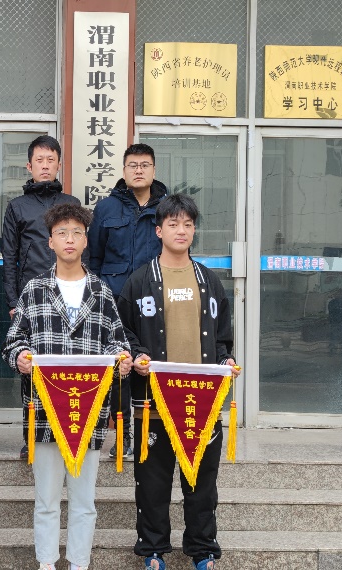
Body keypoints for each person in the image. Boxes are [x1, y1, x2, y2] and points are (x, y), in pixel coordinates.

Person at [4, 203, 132, 570]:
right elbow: (14, 341)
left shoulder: (101, 292)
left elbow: (117, 342)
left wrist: (122, 360)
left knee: (84, 501)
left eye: (77, 232)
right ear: (50, 242)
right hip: (45, 412)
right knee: (46, 499)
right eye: (62, 233)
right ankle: (46, 563)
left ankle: (79, 563)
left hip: (88, 413)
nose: (70, 239)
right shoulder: (35, 290)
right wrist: (21, 356)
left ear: (86, 240)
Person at [116, 193, 239, 570]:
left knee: (202, 483)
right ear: (158, 231)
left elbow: (222, 338)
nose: (181, 230)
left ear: (194, 230)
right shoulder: (140, 281)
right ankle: (153, 551)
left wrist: (226, 361)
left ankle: (203, 551)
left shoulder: (209, 281)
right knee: (152, 484)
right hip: (153, 402)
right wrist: (138, 356)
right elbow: (124, 332)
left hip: (200, 402)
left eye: (187, 224)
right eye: (173, 224)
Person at [1, 135, 82, 459]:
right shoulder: (17, 207)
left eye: (51, 160)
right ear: (29, 166)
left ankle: (67, 429)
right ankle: (31, 436)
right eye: (39, 160)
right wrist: (12, 301)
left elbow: (81, 248)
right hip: (32, 297)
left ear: (59, 164)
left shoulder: (71, 203)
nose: (45, 165)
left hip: (70, 293)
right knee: (31, 366)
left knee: (67, 364)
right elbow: (10, 256)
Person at [88, 143, 168, 459]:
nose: (138, 170)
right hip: (114, 298)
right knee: (118, 368)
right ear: (123, 171)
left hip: (153, 299)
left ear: (153, 170)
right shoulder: (107, 208)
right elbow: (94, 256)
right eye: (133, 165)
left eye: (144, 165)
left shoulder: (166, 208)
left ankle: (149, 434)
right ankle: (122, 438)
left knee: (148, 363)